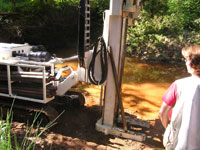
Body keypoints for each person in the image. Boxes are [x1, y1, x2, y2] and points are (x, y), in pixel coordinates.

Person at [159, 45, 200, 150]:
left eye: (186, 60)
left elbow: (163, 112)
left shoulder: (179, 85)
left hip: (178, 143)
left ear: (193, 64)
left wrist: (168, 127)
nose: (185, 63)